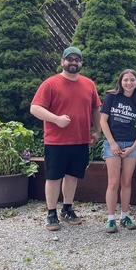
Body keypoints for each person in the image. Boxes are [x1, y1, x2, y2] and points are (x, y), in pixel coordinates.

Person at [30, 46, 101, 231]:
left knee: (72, 176)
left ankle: (67, 209)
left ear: (81, 63)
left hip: (80, 140)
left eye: (77, 60)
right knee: (53, 178)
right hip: (56, 141)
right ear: (63, 61)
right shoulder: (50, 83)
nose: (73, 62)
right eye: (70, 59)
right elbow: (35, 108)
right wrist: (56, 119)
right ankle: (51, 213)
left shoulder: (89, 84)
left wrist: (97, 131)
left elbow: (96, 108)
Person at [100, 69, 136, 233]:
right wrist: (112, 143)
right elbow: (103, 121)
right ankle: (111, 219)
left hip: (130, 146)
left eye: (132, 80)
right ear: (120, 82)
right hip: (112, 144)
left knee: (126, 182)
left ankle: (125, 216)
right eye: (126, 79)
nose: (129, 82)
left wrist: (132, 148)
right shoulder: (112, 97)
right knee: (113, 182)